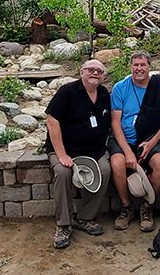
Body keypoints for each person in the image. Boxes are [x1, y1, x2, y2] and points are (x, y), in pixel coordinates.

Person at [44, 60, 113, 249]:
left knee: (105, 170)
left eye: (99, 71)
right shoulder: (67, 92)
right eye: (91, 69)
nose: (95, 73)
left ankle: (85, 217)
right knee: (63, 173)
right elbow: (52, 121)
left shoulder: (104, 93)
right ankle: (64, 224)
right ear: (81, 72)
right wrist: (62, 155)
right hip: (66, 150)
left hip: (94, 150)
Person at [109, 51, 160, 232]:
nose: (139, 69)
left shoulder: (159, 86)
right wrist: (128, 152)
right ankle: (126, 207)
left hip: (149, 137)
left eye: (142, 65)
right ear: (131, 67)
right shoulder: (121, 87)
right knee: (117, 162)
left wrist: (151, 143)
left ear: (149, 67)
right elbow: (115, 122)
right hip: (124, 139)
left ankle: (147, 206)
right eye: (135, 65)